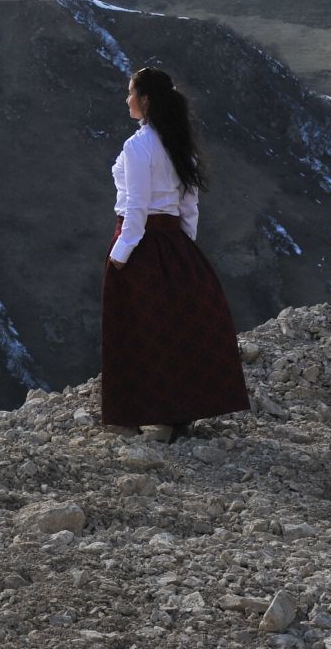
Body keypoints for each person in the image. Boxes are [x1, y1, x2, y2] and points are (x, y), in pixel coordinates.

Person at [99, 65, 251, 440]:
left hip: (140, 241)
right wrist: (185, 251)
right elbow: (190, 206)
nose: (127, 99)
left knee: (132, 329)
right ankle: (174, 416)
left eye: (131, 92)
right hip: (175, 243)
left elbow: (135, 206)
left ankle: (130, 415)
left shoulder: (137, 147)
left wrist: (120, 253)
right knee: (172, 327)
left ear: (145, 100)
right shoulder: (179, 144)